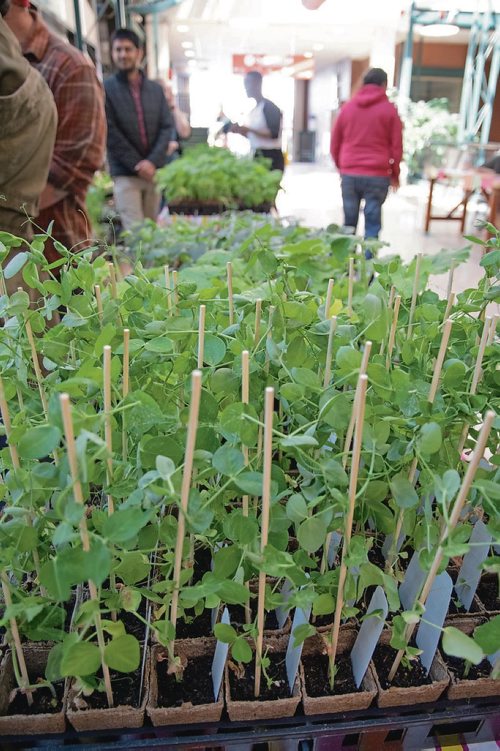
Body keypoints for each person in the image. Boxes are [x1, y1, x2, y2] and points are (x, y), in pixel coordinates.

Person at [4, 0, 106, 262]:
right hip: (10, 247)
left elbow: (70, 171)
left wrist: (10, 207)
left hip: (54, 250)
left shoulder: (70, 67)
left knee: (51, 302)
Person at [0, 0, 56, 253]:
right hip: (16, 240)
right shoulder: (31, 81)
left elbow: (81, 159)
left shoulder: (71, 64)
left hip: (18, 233)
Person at [104, 29, 175, 231]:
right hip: (126, 173)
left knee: (151, 231)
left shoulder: (155, 90)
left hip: (153, 172)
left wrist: (151, 162)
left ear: (139, 53)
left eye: (128, 49)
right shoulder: (107, 89)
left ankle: (153, 265)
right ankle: (137, 264)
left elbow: (166, 126)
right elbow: (110, 131)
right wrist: (138, 164)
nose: (123, 55)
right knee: (135, 233)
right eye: (118, 50)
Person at [330, 67, 403, 239]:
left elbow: (334, 143)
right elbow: (397, 147)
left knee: (348, 224)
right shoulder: (389, 110)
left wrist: (342, 166)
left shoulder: (348, 108)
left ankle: (346, 263)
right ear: (384, 84)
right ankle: (370, 264)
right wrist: (395, 174)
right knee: (372, 222)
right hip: (377, 174)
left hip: (350, 172)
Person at [232, 70, 285, 173]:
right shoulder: (255, 108)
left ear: (257, 83)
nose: (245, 87)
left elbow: (273, 134)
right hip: (258, 154)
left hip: (271, 157)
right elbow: (255, 136)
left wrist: (249, 129)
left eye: (247, 83)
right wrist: (242, 131)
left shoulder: (269, 107)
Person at [156, 79, 191, 164]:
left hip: (173, 160)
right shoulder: (150, 113)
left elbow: (185, 133)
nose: (167, 96)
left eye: (169, 92)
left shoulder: (173, 112)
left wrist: (173, 106)